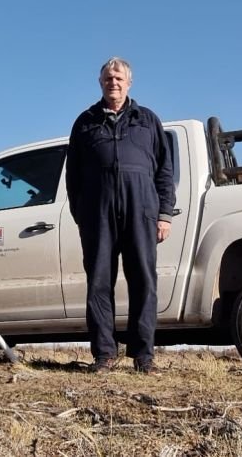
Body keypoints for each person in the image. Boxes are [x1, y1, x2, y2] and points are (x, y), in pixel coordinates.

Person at [65, 57, 175, 374]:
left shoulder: (148, 120)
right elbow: (72, 174)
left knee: (143, 281)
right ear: (100, 83)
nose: (113, 82)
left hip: (141, 209)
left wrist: (164, 214)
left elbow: (164, 171)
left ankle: (143, 356)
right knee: (99, 283)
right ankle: (104, 354)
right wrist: (81, 214)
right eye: (107, 78)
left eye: (118, 78)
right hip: (97, 214)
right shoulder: (85, 122)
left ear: (129, 83)